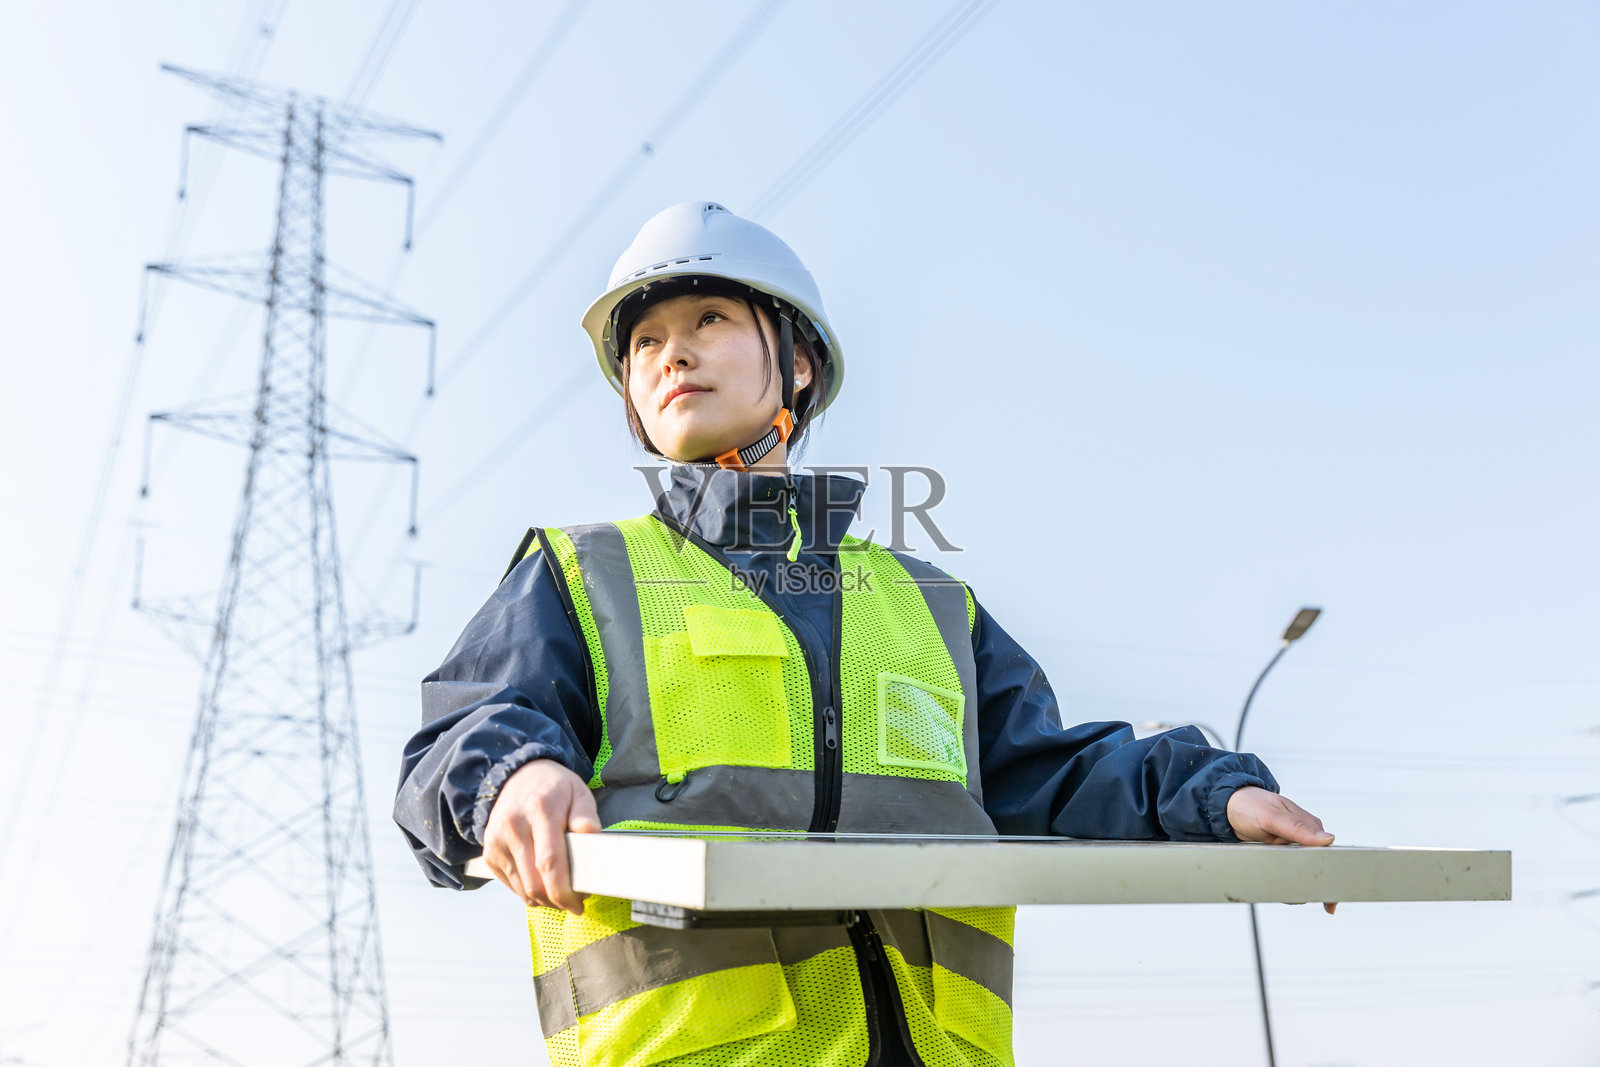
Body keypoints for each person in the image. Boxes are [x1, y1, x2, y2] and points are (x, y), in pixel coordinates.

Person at [394, 201, 1335, 1067]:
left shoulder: (928, 602)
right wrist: (513, 770)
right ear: (632, 398)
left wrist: (1211, 797)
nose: (671, 354)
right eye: (643, 343)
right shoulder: (578, 575)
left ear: (798, 361)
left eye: (709, 321)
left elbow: (1048, 771)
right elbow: (462, 735)